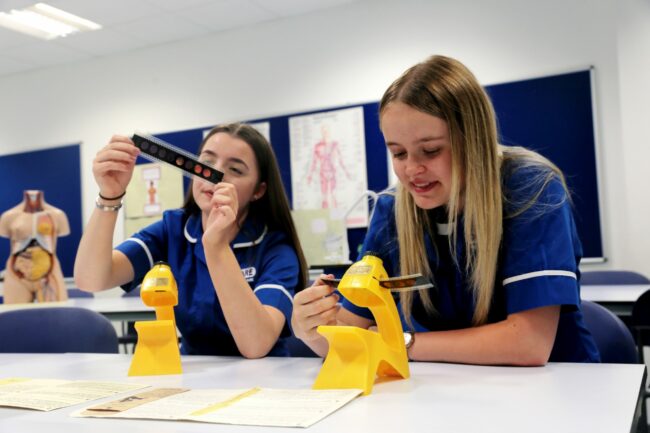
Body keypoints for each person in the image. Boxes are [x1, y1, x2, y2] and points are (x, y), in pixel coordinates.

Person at [291, 55, 600, 365]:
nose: (412, 169)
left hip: (558, 389)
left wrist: (402, 342)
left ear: (473, 140)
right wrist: (314, 331)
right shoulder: (393, 210)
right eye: (398, 153)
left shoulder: (529, 189)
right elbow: (349, 338)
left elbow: (528, 343)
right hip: (449, 393)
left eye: (431, 150)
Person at [74, 123, 308, 358]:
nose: (215, 175)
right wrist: (110, 194)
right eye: (207, 162)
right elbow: (91, 280)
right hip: (193, 375)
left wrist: (216, 246)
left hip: (265, 378)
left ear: (258, 190)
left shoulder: (276, 249)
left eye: (235, 169)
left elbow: (255, 345)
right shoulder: (174, 228)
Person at [0, 190, 70, 303]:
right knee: (15, 317)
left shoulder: (57, 215)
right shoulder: (9, 216)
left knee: (55, 316)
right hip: (17, 272)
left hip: (49, 271)